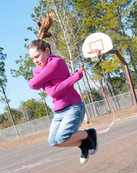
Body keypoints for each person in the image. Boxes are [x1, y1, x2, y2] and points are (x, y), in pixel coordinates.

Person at [28, 13, 97, 164]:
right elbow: (48, 90)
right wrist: (74, 77)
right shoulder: (37, 71)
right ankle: (83, 144)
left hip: (73, 107)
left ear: (47, 51)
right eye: (32, 58)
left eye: (37, 56)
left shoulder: (56, 63)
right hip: (59, 111)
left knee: (62, 137)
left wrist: (74, 77)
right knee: (53, 141)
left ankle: (88, 134)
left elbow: (42, 87)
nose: (35, 61)